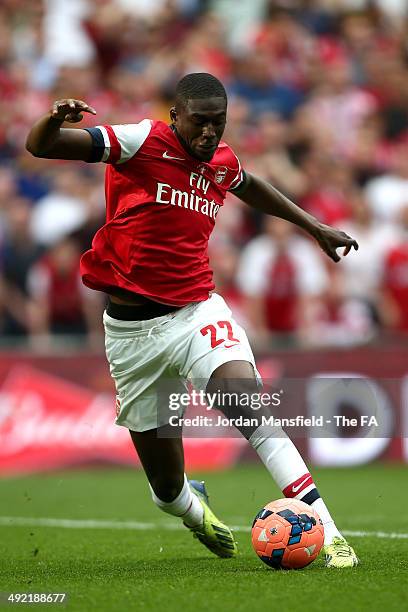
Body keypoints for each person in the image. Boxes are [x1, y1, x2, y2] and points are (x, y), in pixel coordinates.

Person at [26, 72, 358, 568]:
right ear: (175, 116)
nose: (209, 134)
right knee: (165, 488)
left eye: (218, 124)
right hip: (131, 335)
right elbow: (42, 148)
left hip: (196, 313)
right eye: (199, 123)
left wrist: (314, 227)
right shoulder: (140, 141)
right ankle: (190, 507)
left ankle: (330, 536)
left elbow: (250, 184)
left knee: (251, 410)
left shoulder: (220, 162)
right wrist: (53, 120)